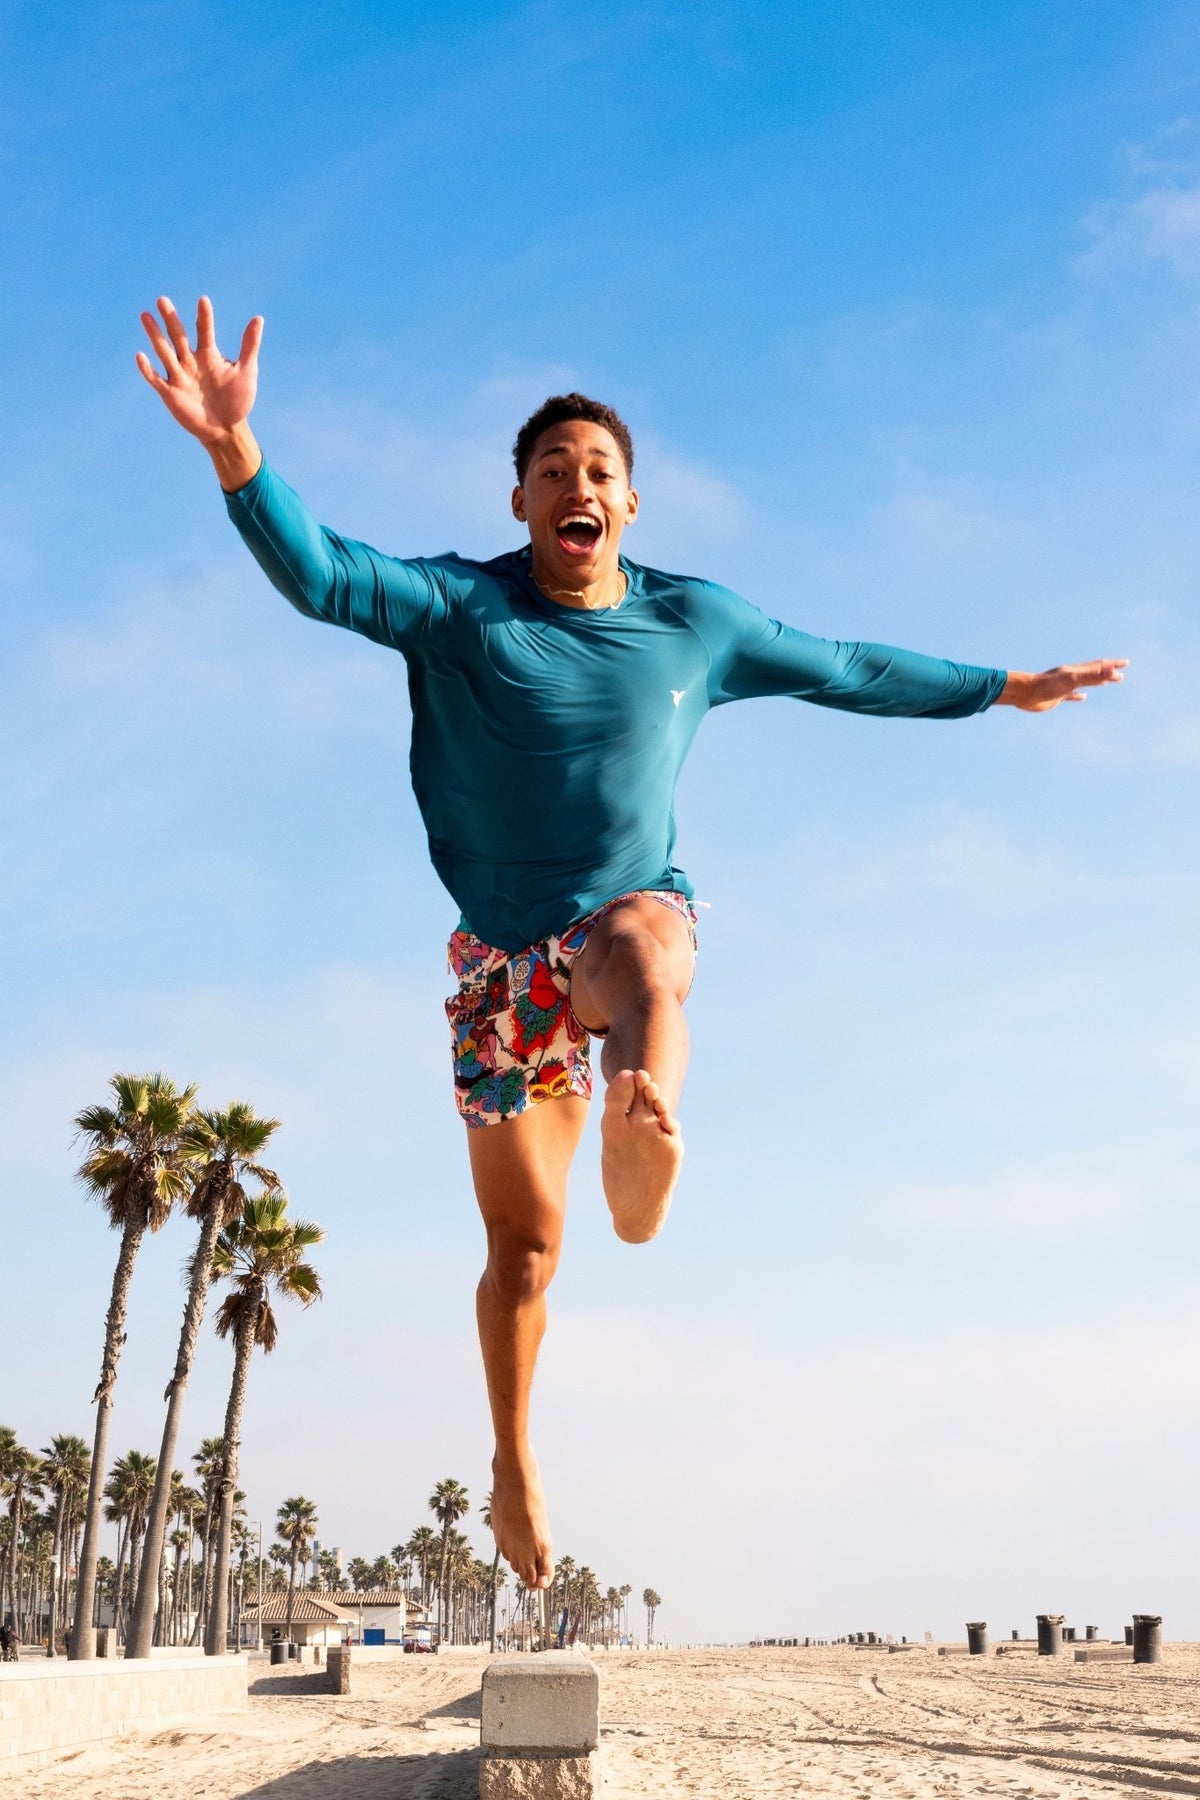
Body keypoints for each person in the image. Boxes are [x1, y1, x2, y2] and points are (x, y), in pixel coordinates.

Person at [137, 295, 1127, 1592]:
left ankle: (642, 1136)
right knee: (524, 1256)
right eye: (552, 471)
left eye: (598, 470)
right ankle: (512, 1458)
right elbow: (324, 574)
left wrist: (1002, 686)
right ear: (520, 505)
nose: (576, 484)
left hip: (617, 919)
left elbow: (846, 666)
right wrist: (237, 458)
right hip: (498, 966)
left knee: (651, 949)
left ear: (631, 507)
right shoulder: (458, 610)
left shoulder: (691, 624)